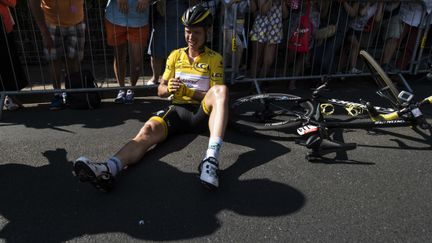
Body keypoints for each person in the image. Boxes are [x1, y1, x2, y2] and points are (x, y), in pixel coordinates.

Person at [72, 5, 228, 192]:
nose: (191, 38)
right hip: (178, 111)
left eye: (196, 33)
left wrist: (187, 91)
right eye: (187, 32)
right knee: (147, 129)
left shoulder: (215, 58)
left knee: (222, 90)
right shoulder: (175, 55)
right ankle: (108, 168)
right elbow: (160, 90)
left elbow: (215, 97)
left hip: (203, 113)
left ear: (207, 32)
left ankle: (211, 159)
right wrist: (167, 87)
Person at [29, 0, 85, 110]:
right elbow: (33, 3)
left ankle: (72, 94)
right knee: (54, 60)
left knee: (73, 60)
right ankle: (57, 94)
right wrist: (44, 32)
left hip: (77, 21)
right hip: (52, 23)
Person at [105, 0, 151, 104]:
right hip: (115, 18)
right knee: (119, 56)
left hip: (139, 20)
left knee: (136, 60)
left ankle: (132, 89)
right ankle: (121, 89)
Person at [146, 0, 191, 85]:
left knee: (179, 53)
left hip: (181, 20)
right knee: (156, 51)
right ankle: (155, 77)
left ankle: (174, 81)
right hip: (161, 19)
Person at [249, 0, 288, 78]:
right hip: (261, 27)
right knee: (257, 59)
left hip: (275, 29)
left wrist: (283, 3)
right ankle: (253, 85)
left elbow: (285, 16)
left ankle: (259, 84)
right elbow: (263, 11)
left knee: (268, 61)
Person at [1, 0, 28, 110]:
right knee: (6, 63)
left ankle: (9, 96)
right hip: (2, 27)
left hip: (4, 25)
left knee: (7, 63)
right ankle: (8, 96)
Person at [222, 0, 250, 79]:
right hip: (229, 29)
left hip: (240, 30)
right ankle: (235, 73)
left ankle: (220, 72)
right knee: (238, 46)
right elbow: (222, 11)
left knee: (228, 51)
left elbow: (252, 9)